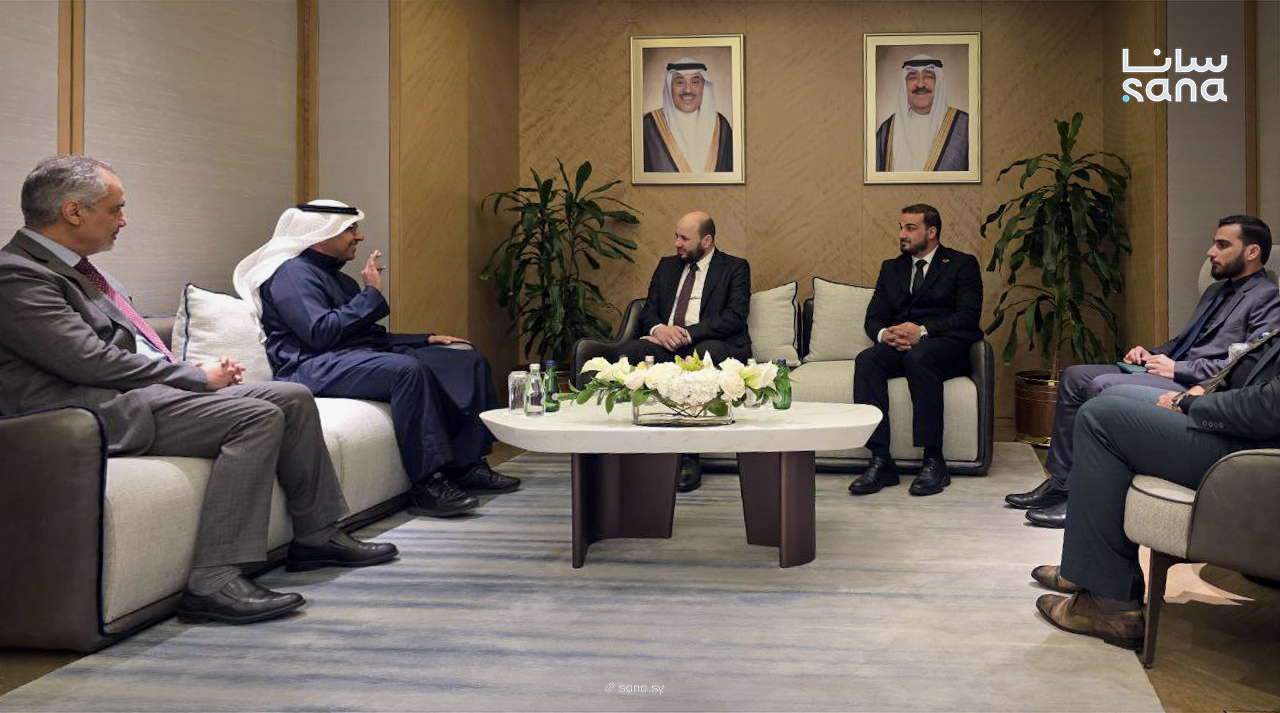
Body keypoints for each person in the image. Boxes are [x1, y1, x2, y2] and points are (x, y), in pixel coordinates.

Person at [0, 156, 397, 625]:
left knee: (290, 396)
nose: (123, 220)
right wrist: (193, 376)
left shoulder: (81, 271)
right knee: (256, 416)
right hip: (82, 415)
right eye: (115, 209)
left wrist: (190, 373)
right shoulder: (18, 275)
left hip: (131, 395)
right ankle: (214, 580)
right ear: (73, 211)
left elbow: (124, 349)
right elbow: (87, 360)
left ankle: (317, 536)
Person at [234, 200, 518, 519]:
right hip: (310, 365)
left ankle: (467, 466)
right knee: (405, 371)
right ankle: (427, 485)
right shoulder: (291, 274)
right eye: (350, 229)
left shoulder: (340, 280)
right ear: (318, 233)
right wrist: (370, 293)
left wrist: (424, 339)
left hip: (350, 357)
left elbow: (367, 335)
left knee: (465, 360)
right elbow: (319, 334)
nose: (359, 236)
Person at [1006, 215, 1279, 528]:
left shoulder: (1266, 297)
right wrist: (1151, 353)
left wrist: (1178, 368)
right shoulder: (1215, 291)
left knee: (1101, 386)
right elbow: (1185, 340)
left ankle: (1083, 497)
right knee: (1074, 376)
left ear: (1252, 252)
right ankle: (1061, 483)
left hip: (1201, 385)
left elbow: (1246, 364)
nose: (1210, 252)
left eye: (1222, 245)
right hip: (1171, 369)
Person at [1031, 328, 1280, 650]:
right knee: (1109, 397)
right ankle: (1089, 570)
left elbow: (1269, 408)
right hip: (1241, 430)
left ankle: (1108, 604)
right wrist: (1202, 393)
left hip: (1252, 457)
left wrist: (1191, 403)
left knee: (1100, 418)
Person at [849, 204, 983, 497]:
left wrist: (921, 331)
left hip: (946, 346)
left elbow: (968, 317)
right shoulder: (891, 268)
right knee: (867, 360)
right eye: (901, 227)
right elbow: (874, 318)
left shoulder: (961, 264)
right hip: (902, 346)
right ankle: (881, 460)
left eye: (910, 228)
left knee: (919, 356)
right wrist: (886, 335)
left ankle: (934, 460)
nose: (902, 234)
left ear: (931, 232)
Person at [617, 211, 751, 491]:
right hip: (667, 343)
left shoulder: (735, 267)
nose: (677, 243)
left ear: (706, 240)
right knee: (631, 352)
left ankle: (688, 455)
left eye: (684, 238)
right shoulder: (667, 266)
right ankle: (628, 449)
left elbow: (734, 316)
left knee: (700, 358)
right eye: (676, 236)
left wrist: (687, 334)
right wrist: (659, 330)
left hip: (712, 341)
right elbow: (648, 310)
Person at [874, 54, 969, 172]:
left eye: (928, 77)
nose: (920, 84)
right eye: (912, 78)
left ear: (939, 83)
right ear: (905, 85)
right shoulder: (887, 130)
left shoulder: (965, 126)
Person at [642, 58, 734, 173]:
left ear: (704, 86)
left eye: (695, 82)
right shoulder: (648, 125)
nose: (688, 90)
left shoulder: (721, 125)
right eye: (680, 82)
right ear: (670, 86)